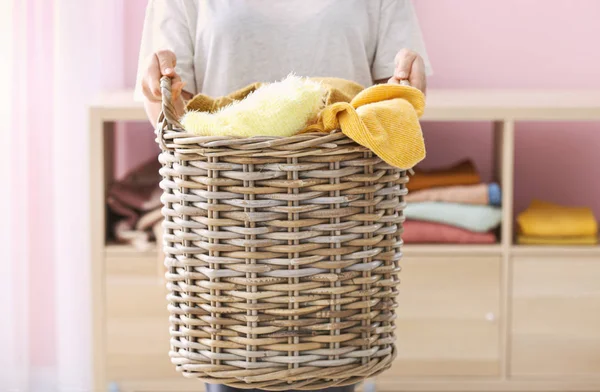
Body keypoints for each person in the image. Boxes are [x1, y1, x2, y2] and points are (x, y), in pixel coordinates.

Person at [135, 1, 431, 391]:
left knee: (334, 379)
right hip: (229, 235)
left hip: (338, 231)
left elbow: (394, 102)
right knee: (232, 381)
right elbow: (173, 111)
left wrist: (407, 87)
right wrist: (162, 89)